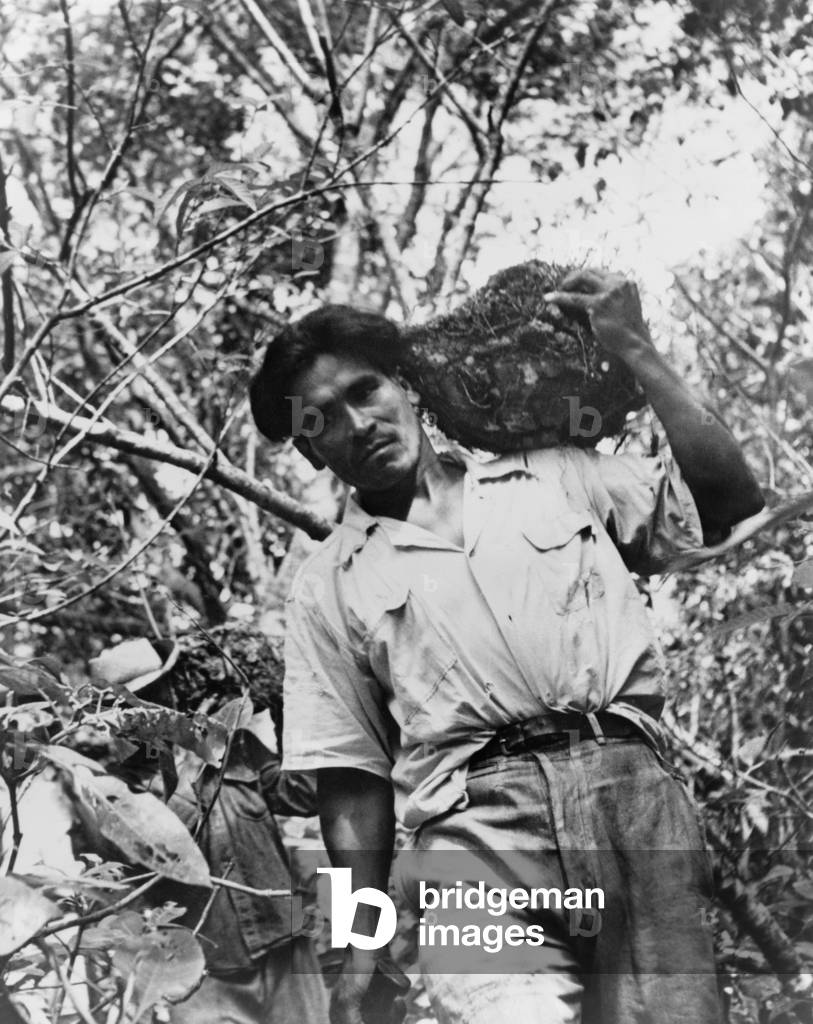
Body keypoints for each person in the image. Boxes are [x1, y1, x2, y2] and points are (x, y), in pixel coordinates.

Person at [249, 270, 765, 1024]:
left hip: (631, 796)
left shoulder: (559, 476)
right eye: (322, 420)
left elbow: (727, 502)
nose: (356, 424)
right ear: (309, 451)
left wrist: (636, 350)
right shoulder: (325, 586)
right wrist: (361, 944)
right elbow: (350, 782)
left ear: (407, 387)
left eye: (365, 393)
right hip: (470, 829)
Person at [84, 636, 330, 1024]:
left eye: (155, 693)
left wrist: (281, 707)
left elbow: (304, 795)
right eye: (132, 702)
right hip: (205, 978)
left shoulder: (233, 747)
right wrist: (182, 763)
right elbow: (147, 863)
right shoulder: (115, 794)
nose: (148, 709)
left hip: (285, 941)